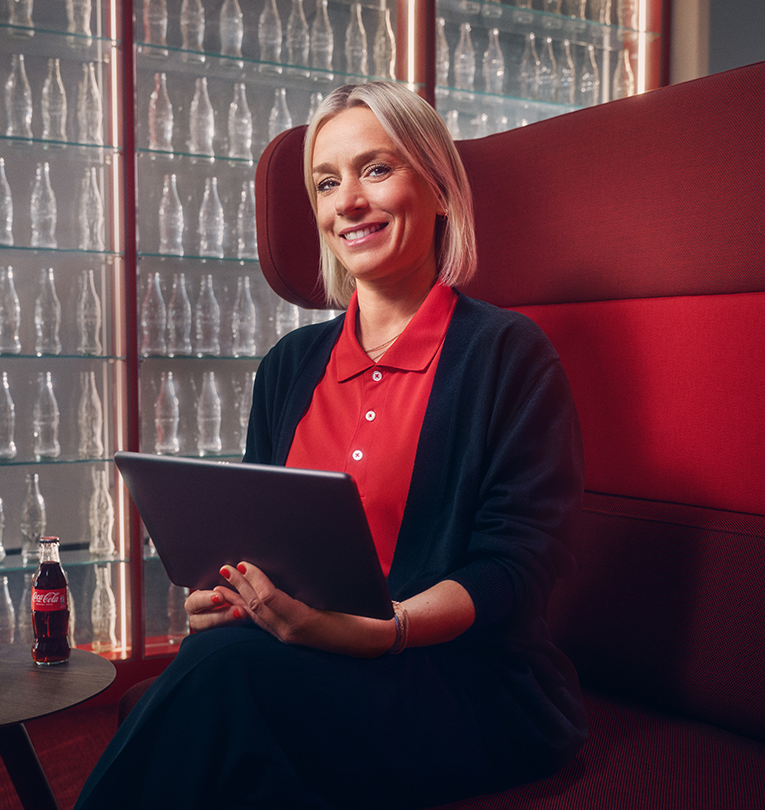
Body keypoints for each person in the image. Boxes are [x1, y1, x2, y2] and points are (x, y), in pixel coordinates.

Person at [74, 82, 587, 809]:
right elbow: (252, 537)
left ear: (440, 191)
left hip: (463, 679)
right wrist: (227, 591)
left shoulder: (509, 354)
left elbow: (519, 568)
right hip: (297, 657)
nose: (346, 201)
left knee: (221, 685)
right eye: (326, 181)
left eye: (375, 169)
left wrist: (386, 631)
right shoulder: (289, 364)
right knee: (225, 678)